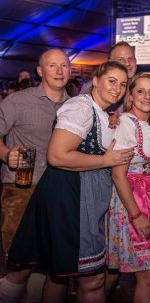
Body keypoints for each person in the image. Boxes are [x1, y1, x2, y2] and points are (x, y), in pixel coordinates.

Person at [3, 61, 134, 303]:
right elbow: (57, 155)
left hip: (80, 197)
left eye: (123, 84)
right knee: (93, 280)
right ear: (95, 80)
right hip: (71, 198)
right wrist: (107, 159)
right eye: (112, 81)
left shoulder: (100, 112)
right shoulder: (80, 108)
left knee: (59, 275)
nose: (118, 88)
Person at [0, 48, 70, 302]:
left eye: (64, 65)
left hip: (58, 193)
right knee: (19, 263)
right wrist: (6, 154)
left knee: (48, 261)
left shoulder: (75, 105)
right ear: (40, 71)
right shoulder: (18, 101)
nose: (59, 70)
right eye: (52, 65)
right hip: (22, 190)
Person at [106, 72, 150, 303]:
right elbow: (118, 175)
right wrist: (136, 214)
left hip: (144, 198)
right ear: (130, 96)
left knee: (119, 272)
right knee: (147, 276)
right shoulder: (126, 124)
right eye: (140, 91)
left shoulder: (148, 124)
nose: (147, 96)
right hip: (130, 201)